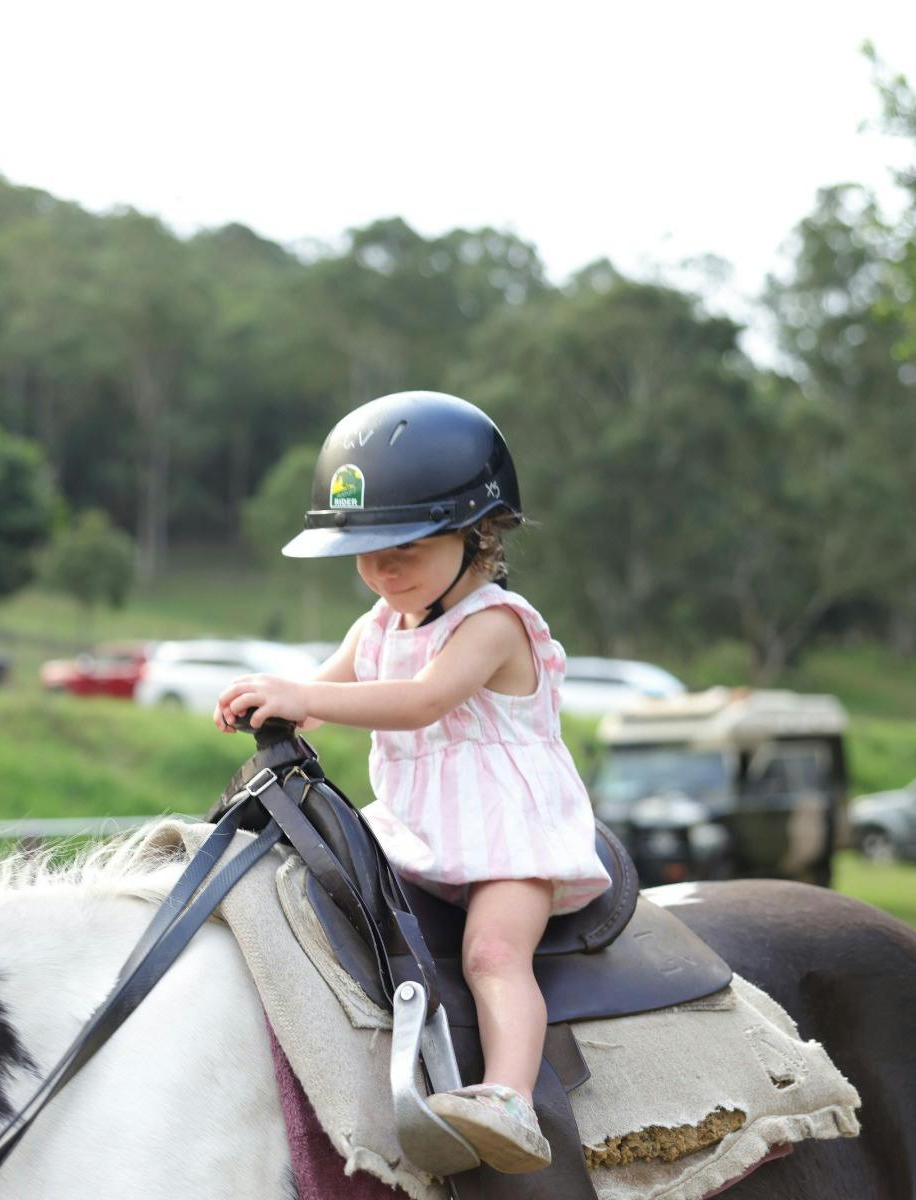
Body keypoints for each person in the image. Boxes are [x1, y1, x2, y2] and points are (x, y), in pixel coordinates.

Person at [213, 390, 610, 1175]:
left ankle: (508, 1099)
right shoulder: (378, 625)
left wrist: (306, 697)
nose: (380, 572)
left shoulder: (496, 625)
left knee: (494, 954)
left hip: (506, 835)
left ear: (476, 536)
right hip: (414, 830)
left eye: (403, 550)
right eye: (364, 554)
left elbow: (419, 701)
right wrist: (271, 707)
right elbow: (323, 697)